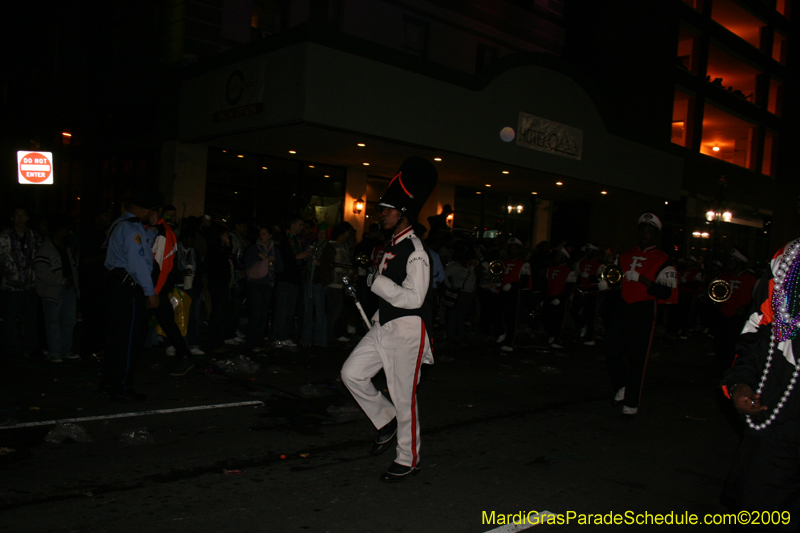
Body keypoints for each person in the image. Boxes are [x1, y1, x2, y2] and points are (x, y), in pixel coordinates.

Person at [340, 156, 437, 482]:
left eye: (387, 210)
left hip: (407, 330)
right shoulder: (391, 246)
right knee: (351, 373)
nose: (381, 214)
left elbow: (414, 298)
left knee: (402, 395)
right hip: (385, 324)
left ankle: (408, 458)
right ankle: (386, 419)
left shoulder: (417, 251)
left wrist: (377, 282)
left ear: (403, 214)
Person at [720, 238, 800, 530]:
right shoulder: (789, 259)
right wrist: (741, 381)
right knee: (758, 510)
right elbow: (758, 328)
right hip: (780, 414)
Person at [603, 213, 677, 416]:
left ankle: (632, 402)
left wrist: (642, 279)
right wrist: (607, 283)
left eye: (650, 231)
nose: (645, 234)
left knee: (638, 357)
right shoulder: (625, 255)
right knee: (612, 351)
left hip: (644, 308)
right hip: (624, 306)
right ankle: (622, 387)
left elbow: (666, 291)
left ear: (656, 234)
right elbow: (616, 280)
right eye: (643, 230)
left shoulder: (663, 259)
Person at [102, 191, 162, 401]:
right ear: (145, 210)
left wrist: (152, 228)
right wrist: (150, 292)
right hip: (127, 288)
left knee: (117, 338)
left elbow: (143, 247)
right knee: (129, 340)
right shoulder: (130, 228)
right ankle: (123, 387)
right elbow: (138, 264)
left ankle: (110, 381)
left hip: (117, 286)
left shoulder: (123, 224)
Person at [149, 206, 195, 376]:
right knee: (165, 323)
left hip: (155, 289)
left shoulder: (164, 233)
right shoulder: (155, 230)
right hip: (154, 288)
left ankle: (184, 355)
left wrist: (154, 291)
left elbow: (163, 266)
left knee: (167, 322)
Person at [34, 215, 80, 363]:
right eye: (65, 230)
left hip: (68, 289)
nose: (67, 233)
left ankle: (65, 350)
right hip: (53, 291)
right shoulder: (46, 248)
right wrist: (61, 281)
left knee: (69, 320)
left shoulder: (66, 248)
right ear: (58, 231)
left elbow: (74, 266)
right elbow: (41, 271)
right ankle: (54, 351)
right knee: (53, 321)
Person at [0, 207, 42, 361]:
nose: (20, 219)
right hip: (11, 287)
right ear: (12, 218)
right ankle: (13, 349)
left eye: (23, 215)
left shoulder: (34, 236)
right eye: (17, 215)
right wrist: (12, 276)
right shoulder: (4, 237)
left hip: (30, 286)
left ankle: (30, 348)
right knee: (10, 320)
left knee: (31, 319)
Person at [712, 248, 758, 372]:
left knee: (734, 345)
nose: (729, 262)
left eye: (732, 260)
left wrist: (745, 308)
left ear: (739, 262)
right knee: (720, 344)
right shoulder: (723, 277)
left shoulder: (751, 280)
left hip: (738, 318)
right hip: (723, 314)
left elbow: (756, 301)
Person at [272, 215, 310, 348]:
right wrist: (299, 256)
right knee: (282, 309)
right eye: (300, 224)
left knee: (290, 310)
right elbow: (285, 258)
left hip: (295, 278)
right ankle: (278, 337)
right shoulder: (284, 238)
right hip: (285, 278)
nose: (302, 228)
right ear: (293, 225)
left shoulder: (298, 239)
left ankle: (285, 336)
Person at [498, 237, 531, 352]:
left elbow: (524, 282)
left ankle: (509, 342)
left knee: (511, 319)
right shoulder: (504, 262)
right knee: (498, 314)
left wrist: (512, 285)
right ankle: (501, 333)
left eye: (515, 248)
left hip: (514, 293)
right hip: (503, 292)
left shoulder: (524, 264)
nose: (512, 250)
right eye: (511, 248)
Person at [544, 245, 577, 349]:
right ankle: (552, 334)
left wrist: (560, 298)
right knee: (548, 318)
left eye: (559, 255)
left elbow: (569, 289)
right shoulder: (550, 269)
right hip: (550, 296)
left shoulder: (569, 271)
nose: (556, 257)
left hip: (560, 298)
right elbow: (546, 285)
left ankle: (557, 339)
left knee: (559, 320)